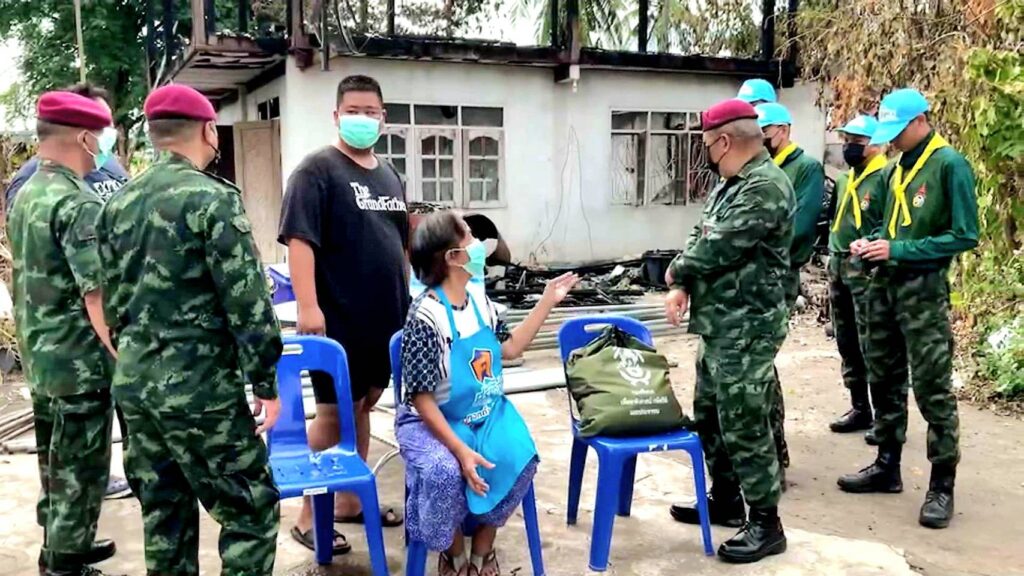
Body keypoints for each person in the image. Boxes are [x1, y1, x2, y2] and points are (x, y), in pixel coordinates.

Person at [97, 84, 283, 574]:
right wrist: (266, 382)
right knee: (249, 511)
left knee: (165, 518)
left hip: (137, 390)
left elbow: (111, 306)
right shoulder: (213, 200)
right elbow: (248, 304)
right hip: (202, 391)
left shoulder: (117, 204)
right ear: (207, 130)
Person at [399, 210, 578, 576]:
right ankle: (453, 553)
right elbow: (421, 398)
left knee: (519, 454)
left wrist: (547, 300)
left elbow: (510, 348)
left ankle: (484, 545)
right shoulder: (425, 317)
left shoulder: (481, 303)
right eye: (469, 237)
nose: (479, 245)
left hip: (483, 412)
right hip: (431, 420)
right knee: (444, 470)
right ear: (453, 257)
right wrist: (459, 449)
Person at [278, 74, 409, 554]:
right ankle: (309, 515)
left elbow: (398, 243)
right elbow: (299, 240)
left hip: (383, 320)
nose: (362, 119)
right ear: (336, 116)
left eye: (371, 112)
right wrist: (308, 307)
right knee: (334, 415)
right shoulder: (316, 171)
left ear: (383, 118)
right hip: (336, 321)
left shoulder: (389, 174)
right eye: (353, 111)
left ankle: (350, 500)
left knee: (362, 408)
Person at [839, 88, 978, 529]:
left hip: (923, 293)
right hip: (884, 287)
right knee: (883, 377)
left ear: (921, 121)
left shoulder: (949, 164)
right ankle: (887, 464)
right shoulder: (896, 167)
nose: (893, 140)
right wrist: (872, 242)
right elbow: (893, 225)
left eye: (899, 131)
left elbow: (965, 235)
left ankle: (941, 485)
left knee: (933, 388)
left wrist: (898, 249)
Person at [664, 99, 794, 563]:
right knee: (711, 415)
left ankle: (766, 522)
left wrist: (676, 270)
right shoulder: (730, 183)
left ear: (723, 141)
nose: (705, 152)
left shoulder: (765, 187)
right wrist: (682, 283)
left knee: (744, 421)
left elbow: (720, 244)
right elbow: (701, 231)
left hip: (749, 324)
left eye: (705, 144)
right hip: (720, 323)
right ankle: (724, 499)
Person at [8, 91, 120, 576]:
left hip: (42, 356)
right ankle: (66, 566)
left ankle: (58, 547)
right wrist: (124, 356)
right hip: (79, 365)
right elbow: (97, 296)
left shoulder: (28, 192)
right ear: (84, 137)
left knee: (53, 464)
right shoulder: (77, 202)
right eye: (103, 135)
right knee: (81, 470)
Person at [755, 101, 826, 477]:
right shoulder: (757, 168)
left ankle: (774, 455)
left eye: (764, 132)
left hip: (778, 275)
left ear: (782, 130)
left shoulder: (804, 169)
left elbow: (799, 228)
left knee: (760, 363)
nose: (759, 139)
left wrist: (756, 249)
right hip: (751, 278)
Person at [826, 115, 889, 441]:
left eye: (858, 142)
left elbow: (890, 224)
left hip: (866, 269)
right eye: (847, 140)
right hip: (839, 264)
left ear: (876, 144)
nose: (850, 147)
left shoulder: (885, 178)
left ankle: (885, 417)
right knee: (847, 340)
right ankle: (859, 407)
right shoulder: (845, 179)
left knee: (872, 343)